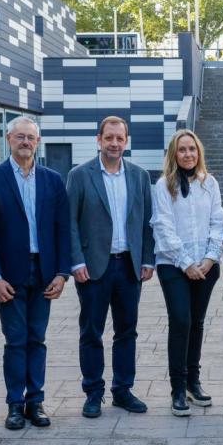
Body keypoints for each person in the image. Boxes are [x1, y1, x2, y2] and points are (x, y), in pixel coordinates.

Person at [0, 116, 70, 431]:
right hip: (10, 275)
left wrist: (62, 272)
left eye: (31, 137)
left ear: (38, 142)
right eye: (20, 137)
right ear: (8, 139)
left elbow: (62, 229)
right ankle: (15, 404)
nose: (26, 142)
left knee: (37, 338)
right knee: (15, 340)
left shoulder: (53, 180)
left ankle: (36, 401)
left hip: (44, 272)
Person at [68, 116, 155, 417]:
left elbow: (147, 221)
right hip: (93, 268)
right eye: (109, 138)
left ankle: (122, 390)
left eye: (120, 138)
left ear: (126, 141)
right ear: (99, 139)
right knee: (91, 331)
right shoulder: (80, 175)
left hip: (129, 266)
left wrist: (147, 258)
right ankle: (93, 392)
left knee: (126, 331)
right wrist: (76, 260)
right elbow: (70, 222)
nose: (115, 143)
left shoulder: (139, 176)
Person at [151, 129, 223, 417]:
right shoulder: (163, 186)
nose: (188, 154)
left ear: (199, 152)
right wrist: (186, 263)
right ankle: (178, 389)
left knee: (197, 323)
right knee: (181, 321)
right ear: (173, 153)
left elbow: (218, 222)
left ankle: (194, 382)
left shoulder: (210, 184)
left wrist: (208, 259)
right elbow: (163, 227)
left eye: (192, 149)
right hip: (173, 265)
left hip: (206, 266)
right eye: (182, 150)